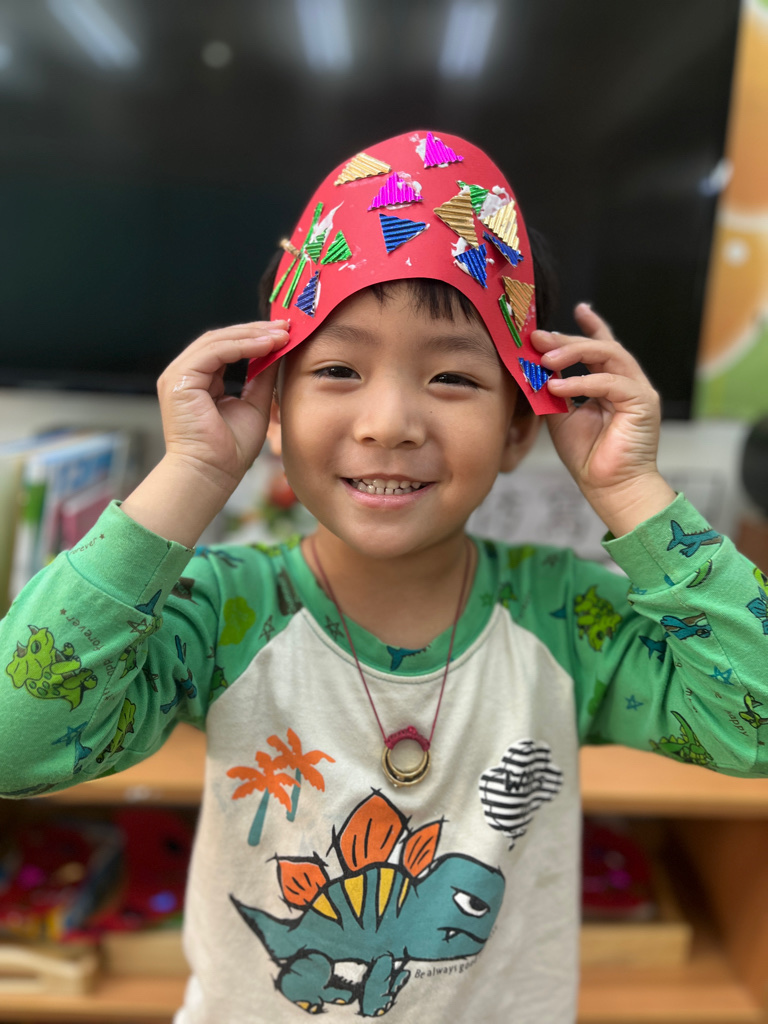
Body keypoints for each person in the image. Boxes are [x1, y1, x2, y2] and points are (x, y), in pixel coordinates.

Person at [1, 130, 765, 1023]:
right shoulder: (225, 612)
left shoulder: (565, 619)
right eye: (337, 369)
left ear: (521, 426)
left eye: (451, 377)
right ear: (272, 407)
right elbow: (17, 743)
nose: (389, 421)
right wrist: (192, 474)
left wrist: (631, 489)